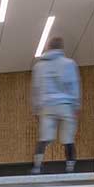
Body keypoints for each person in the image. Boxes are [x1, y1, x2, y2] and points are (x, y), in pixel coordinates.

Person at [31, 33, 82, 174]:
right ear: (61, 48)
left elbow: (36, 89)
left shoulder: (39, 67)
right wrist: (76, 105)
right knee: (68, 138)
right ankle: (70, 167)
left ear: (48, 47)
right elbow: (74, 85)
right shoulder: (69, 64)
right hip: (66, 105)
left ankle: (37, 166)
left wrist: (36, 109)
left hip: (46, 105)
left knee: (44, 137)